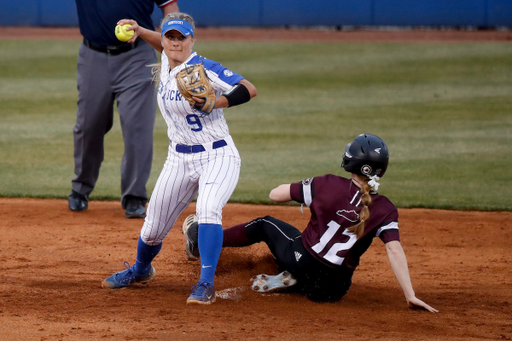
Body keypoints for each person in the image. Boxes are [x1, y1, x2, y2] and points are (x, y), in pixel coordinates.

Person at [101, 12, 258, 305]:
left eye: (181, 38)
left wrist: (217, 101)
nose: (175, 43)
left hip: (217, 155)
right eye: (170, 37)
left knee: (209, 209)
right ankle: (141, 270)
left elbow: (249, 88)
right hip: (178, 159)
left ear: (192, 40)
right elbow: (159, 45)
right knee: (152, 229)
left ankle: (205, 283)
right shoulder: (165, 57)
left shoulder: (204, 68)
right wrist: (139, 30)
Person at [183, 134, 438, 312]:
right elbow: (394, 250)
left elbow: (275, 194)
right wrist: (410, 295)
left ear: (351, 161)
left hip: (301, 260)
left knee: (265, 223)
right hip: (332, 290)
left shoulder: (326, 183)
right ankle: (295, 283)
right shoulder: (385, 208)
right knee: (317, 268)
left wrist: (307, 193)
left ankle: (199, 242)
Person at [69, 0, 179, 218]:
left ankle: (135, 196)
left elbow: (169, 7)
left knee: (138, 128)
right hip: (93, 56)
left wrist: (175, 42)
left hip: (138, 57)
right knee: (88, 126)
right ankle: (80, 188)